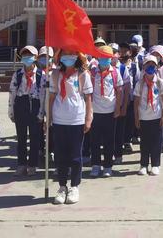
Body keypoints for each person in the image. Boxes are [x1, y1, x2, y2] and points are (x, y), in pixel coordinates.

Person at [49, 49, 93, 205]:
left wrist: (88, 118)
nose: (68, 57)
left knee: (75, 156)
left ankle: (74, 186)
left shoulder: (82, 75)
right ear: (60, 57)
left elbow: (88, 98)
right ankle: (62, 186)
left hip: (76, 120)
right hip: (59, 120)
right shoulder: (54, 75)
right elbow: (51, 97)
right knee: (60, 156)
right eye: (65, 54)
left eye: (72, 54)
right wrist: (47, 118)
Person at [8, 45, 44, 177]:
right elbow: (12, 93)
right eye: (24, 55)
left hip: (35, 106)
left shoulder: (41, 75)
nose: (27, 57)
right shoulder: (17, 74)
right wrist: (11, 111)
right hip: (21, 105)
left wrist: (41, 112)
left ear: (35, 58)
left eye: (30, 55)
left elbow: (43, 95)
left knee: (35, 138)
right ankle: (21, 164)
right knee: (21, 139)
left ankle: (33, 165)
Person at [89, 45, 123, 178]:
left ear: (111, 59)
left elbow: (119, 91)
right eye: (102, 57)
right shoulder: (92, 73)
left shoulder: (115, 72)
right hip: (95, 111)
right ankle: (95, 165)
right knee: (94, 140)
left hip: (110, 111)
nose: (104, 60)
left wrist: (118, 108)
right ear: (98, 58)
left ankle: (108, 166)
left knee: (109, 140)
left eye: (107, 58)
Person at [134, 55, 163, 176]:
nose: (150, 68)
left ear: (156, 67)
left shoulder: (159, 82)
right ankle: (143, 165)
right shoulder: (140, 84)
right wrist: (136, 118)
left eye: (153, 65)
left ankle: (155, 165)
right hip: (144, 117)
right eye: (148, 65)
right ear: (143, 67)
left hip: (156, 116)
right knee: (144, 143)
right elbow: (136, 102)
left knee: (156, 142)